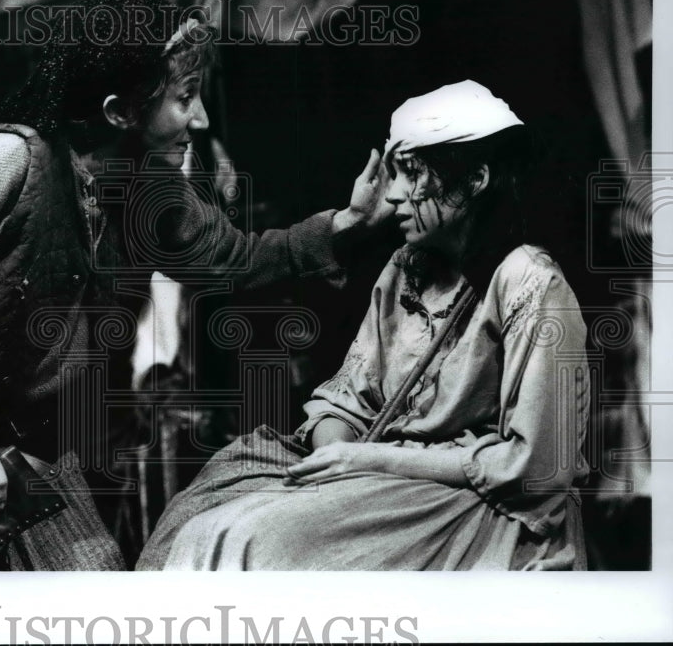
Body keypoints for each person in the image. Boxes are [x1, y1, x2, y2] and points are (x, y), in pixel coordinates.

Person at [0, 0, 390, 571]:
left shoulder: (147, 186)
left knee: (86, 579)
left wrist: (350, 223)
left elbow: (231, 261)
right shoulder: (7, 162)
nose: (198, 120)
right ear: (118, 111)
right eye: (183, 97)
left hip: (9, 431)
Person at [137, 80, 590, 571]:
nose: (392, 195)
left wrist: (366, 463)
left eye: (411, 173)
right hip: (385, 479)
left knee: (253, 538)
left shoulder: (529, 282)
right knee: (200, 514)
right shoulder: (409, 265)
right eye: (393, 173)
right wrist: (335, 461)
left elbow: (537, 467)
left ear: (476, 179)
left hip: (478, 502)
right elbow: (351, 398)